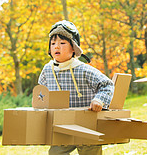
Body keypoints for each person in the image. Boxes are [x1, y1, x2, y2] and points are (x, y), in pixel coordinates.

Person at [38, 20, 114, 155]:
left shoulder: (84, 70)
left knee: (91, 152)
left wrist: (99, 100)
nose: (57, 47)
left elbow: (107, 84)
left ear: (74, 47)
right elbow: (41, 92)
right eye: (53, 43)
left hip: (86, 125)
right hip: (61, 125)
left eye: (62, 43)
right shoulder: (47, 70)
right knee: (56, 153)